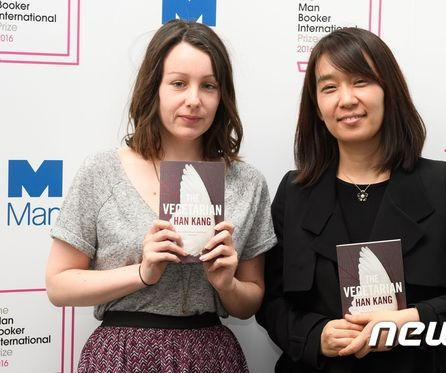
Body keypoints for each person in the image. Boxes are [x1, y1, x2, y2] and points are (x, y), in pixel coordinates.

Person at [256, 27, 446, 372]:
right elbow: (271, 301)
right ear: (317, 107)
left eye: (360, 81)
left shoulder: (442, 183)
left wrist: (409, 322)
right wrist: (316, 335)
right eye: (329, 87)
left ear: (388, 92)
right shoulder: (295, 193)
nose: (346, 99)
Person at [46, 19, 276, 372]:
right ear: (155, 88)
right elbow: (59, 286)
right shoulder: (102, 171)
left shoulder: (247, 183)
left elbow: (250, 302)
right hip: (121, 355)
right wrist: (142, 272)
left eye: (209, 86)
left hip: (211, 357)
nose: (193, 100)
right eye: (179, 84)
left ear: (222, 96)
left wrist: (227, 283)